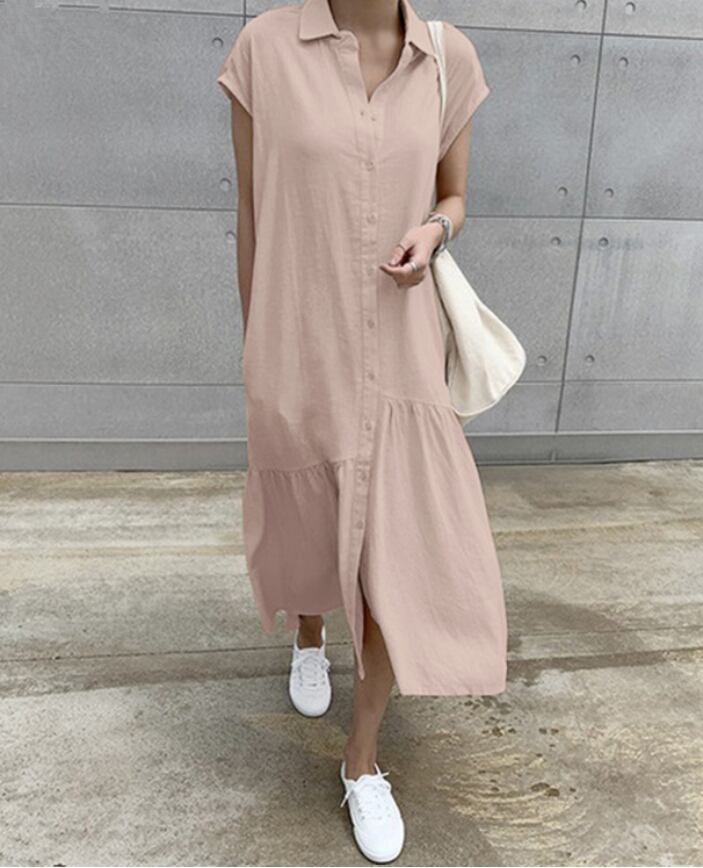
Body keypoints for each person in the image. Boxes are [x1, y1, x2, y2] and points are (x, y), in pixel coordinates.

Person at [217, 0, 507, 861]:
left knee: (400, 552)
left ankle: (362, 760)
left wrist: (435, 229)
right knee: (310, 514)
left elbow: (454, 194)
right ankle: (309, 632)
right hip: (298, 338)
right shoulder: (265, 48)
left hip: (399, 347)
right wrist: (257, 345)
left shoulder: (446, 56)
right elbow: (253, 209)